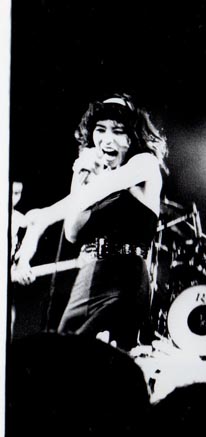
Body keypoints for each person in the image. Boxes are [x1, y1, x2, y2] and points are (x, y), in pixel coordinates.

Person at [12, 94, 167, 350]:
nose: (107, 139)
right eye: (100, 130)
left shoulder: (144, 164)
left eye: (118, 131)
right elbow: (71, 231)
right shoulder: (98, 181)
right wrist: (23, 260)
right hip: (91, 276)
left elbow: (85, 196)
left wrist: (80, 175)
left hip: (125, 276)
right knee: (69, 357)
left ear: (133, 137)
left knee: (95, 358)